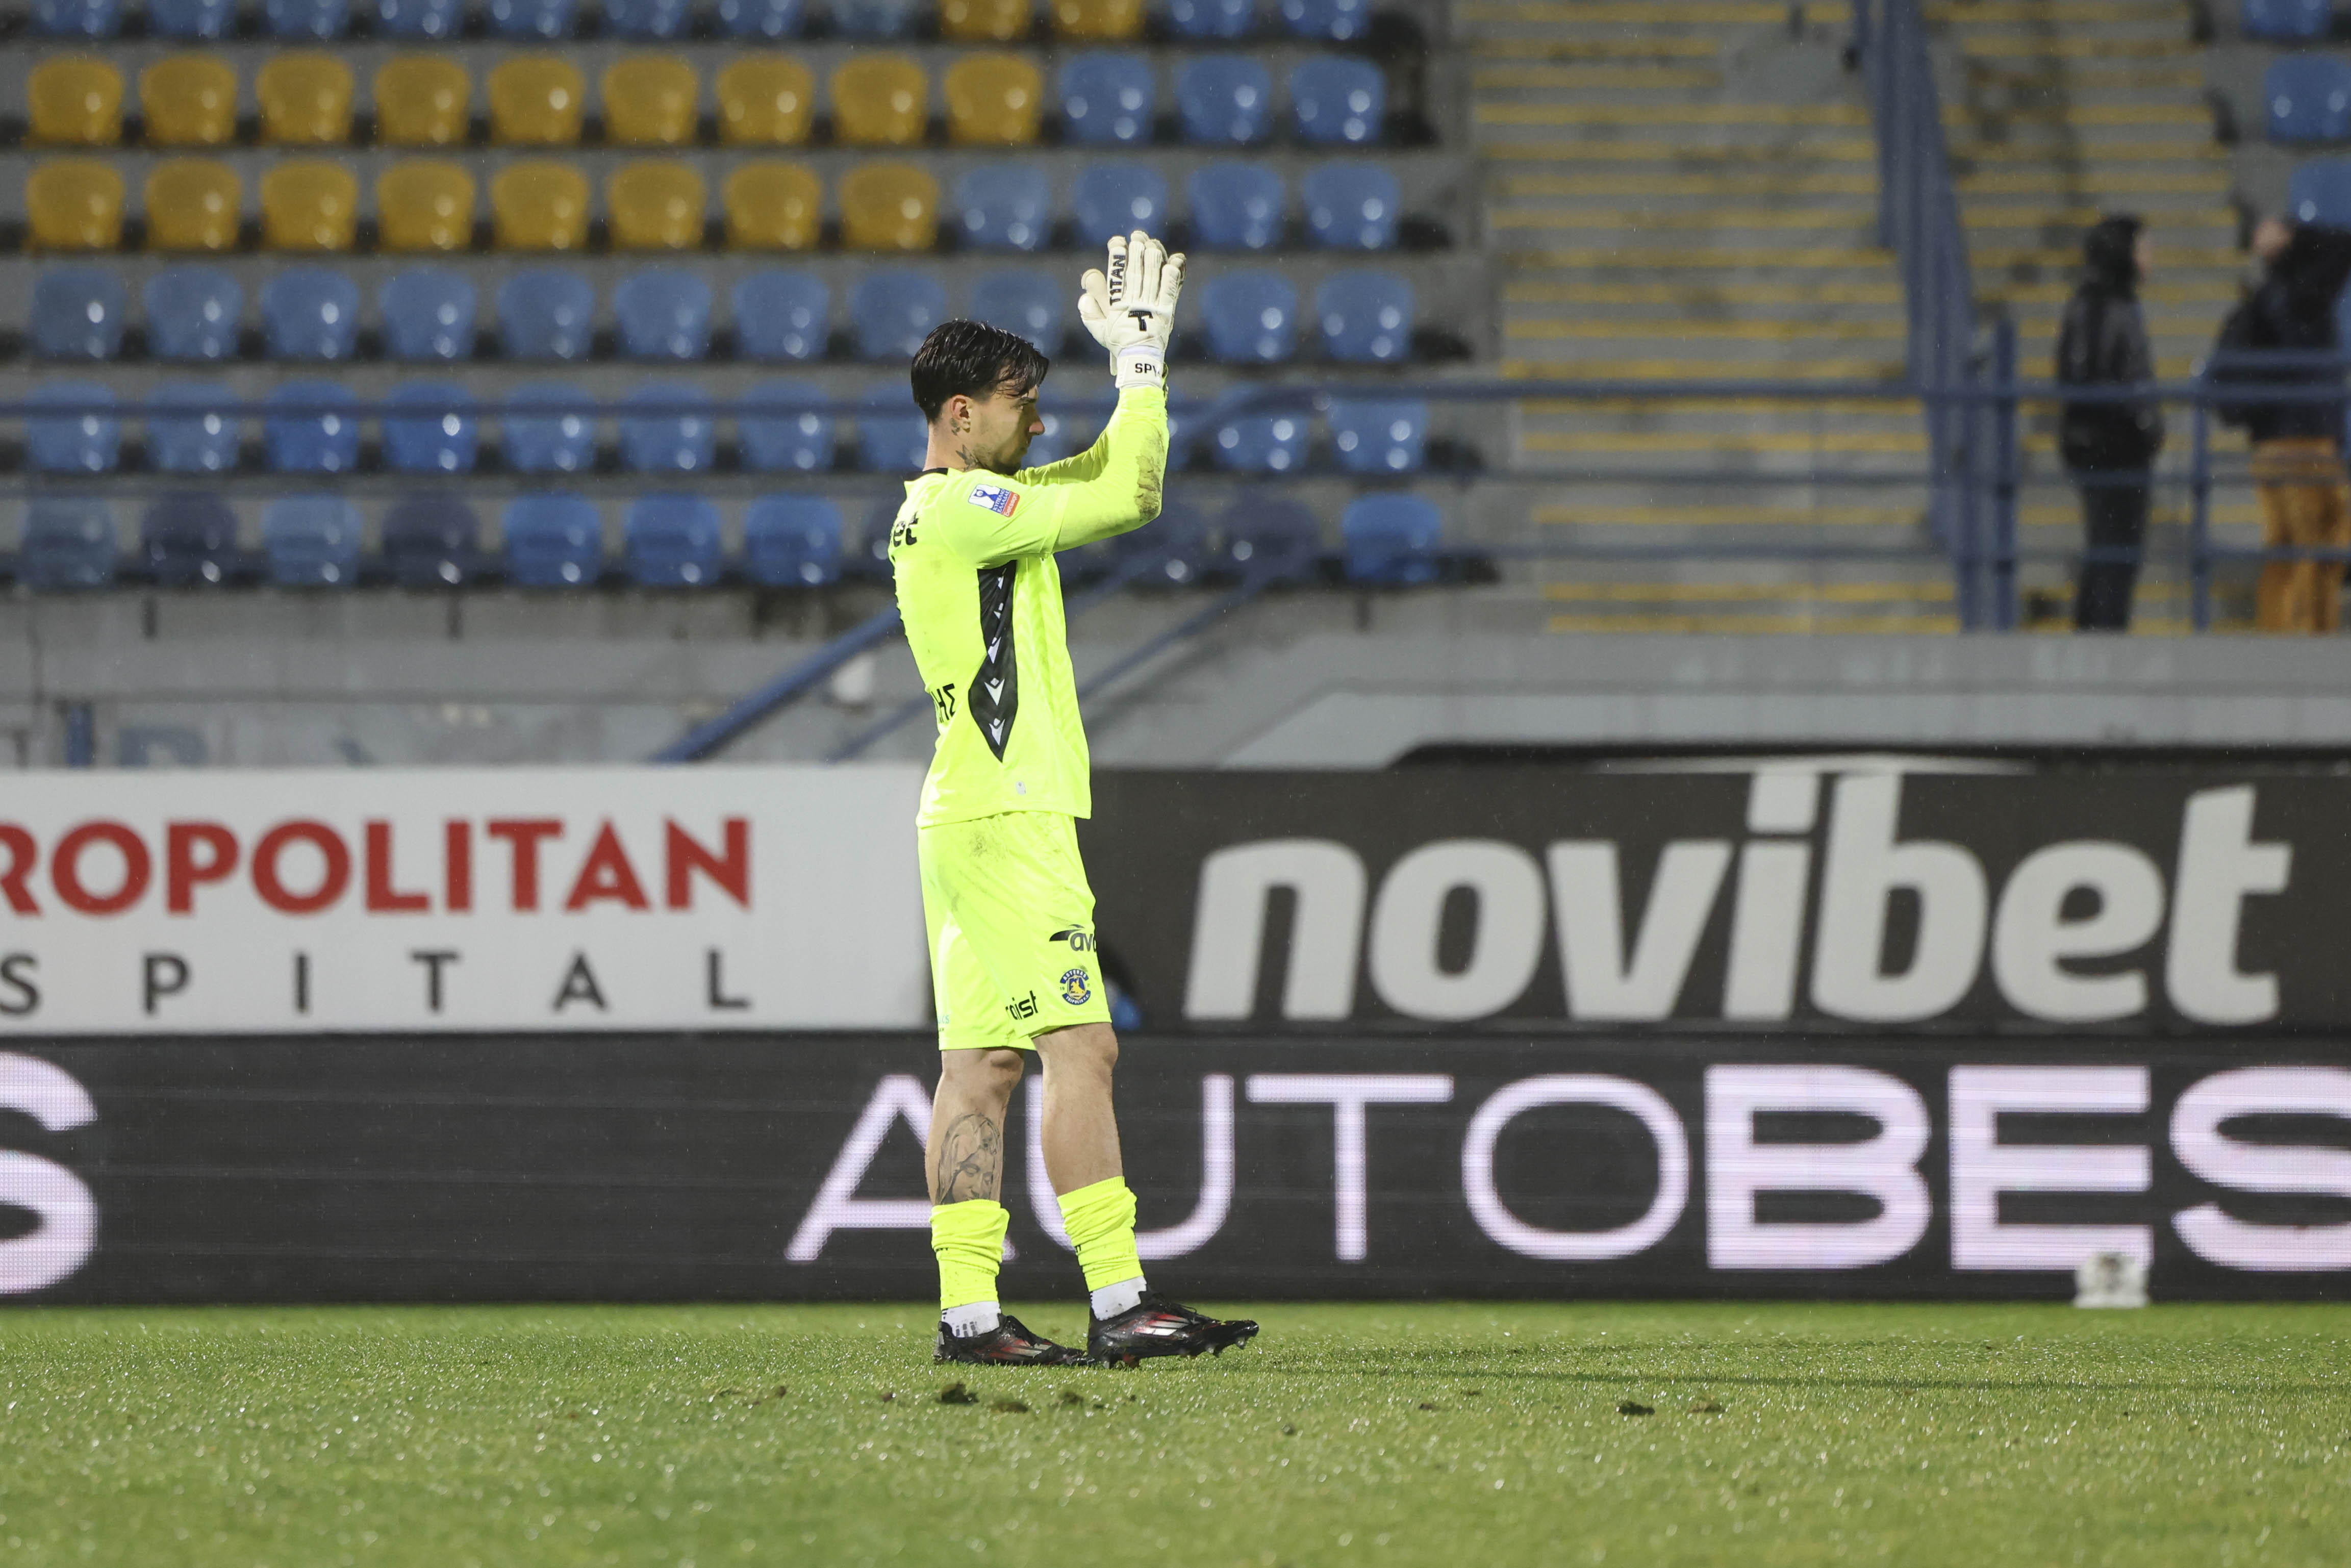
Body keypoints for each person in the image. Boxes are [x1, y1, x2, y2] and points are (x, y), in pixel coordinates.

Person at [888, 233, 1260, 1368]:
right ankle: (1119, 1300)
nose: (1040, 424)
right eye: (1022, 405)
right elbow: (1131, 494)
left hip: (961, 816)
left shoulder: (947, 506)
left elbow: (1099, 472)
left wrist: (1129, 385)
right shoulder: (965, 510)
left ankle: (969, 1317)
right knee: (1083, 1047)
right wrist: (1141, 368)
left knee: (978, 1069)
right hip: (1008, 816)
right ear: (961, 415)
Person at [2215, 215, 2351, 632]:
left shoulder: (2269, 296)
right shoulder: (2296, 294)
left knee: (2290, 544)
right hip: (2301, 441)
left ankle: (2281, 632)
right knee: (2317, 542)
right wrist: (2296, 235)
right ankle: (2302, 638)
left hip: (2276, 441)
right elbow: (2343, 244)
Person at [2056, 214, 2163, 631]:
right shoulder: (2112, 306)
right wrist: (2148, 428)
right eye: (2144, 248)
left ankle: (2096, 634)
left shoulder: (2089, 302)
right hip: (2116, 446)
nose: (2150, 257)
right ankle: (2104, 637)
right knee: (2116, 552)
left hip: (2096, 441)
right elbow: (2122, 379)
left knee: (2107, 549)